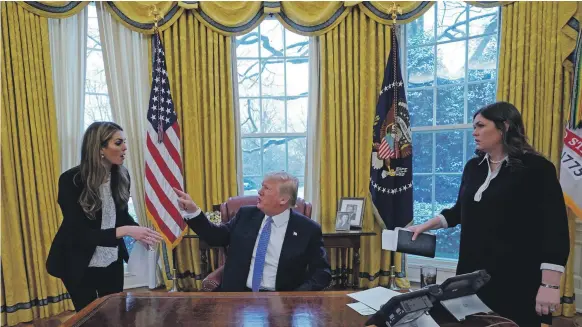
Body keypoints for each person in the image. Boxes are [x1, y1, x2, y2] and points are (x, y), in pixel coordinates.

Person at [406, 102, 570, 326]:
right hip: (471, 277)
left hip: (518, 278)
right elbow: (459, 211)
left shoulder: (537, 168)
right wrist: (424, 226)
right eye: (474, 126)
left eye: (481, 126)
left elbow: (556, 229)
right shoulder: (474, 167)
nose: (474, 132)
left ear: (504, 126)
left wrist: (550, 286)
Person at [46, 122, 163, 311]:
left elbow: (122, 216)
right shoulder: (71, 180)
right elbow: (79, 234)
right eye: (118, 143)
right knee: (89, 317)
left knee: (114, 313)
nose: (125, 147)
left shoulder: (122, 175)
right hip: (77, 260)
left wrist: (140, 233)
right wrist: (126, 230)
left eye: (124, 142)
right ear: (99, 147)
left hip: (111, 259)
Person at [173, 171, 331, 292]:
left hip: (280, 299)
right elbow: (216, 237)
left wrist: (294, 298)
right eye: (261, 186)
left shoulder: (308, 229)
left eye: (266, 188)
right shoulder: (245, 215)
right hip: (238, 296)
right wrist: (193, 212)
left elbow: (322, 273)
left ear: (283, 199)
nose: (259, 191)